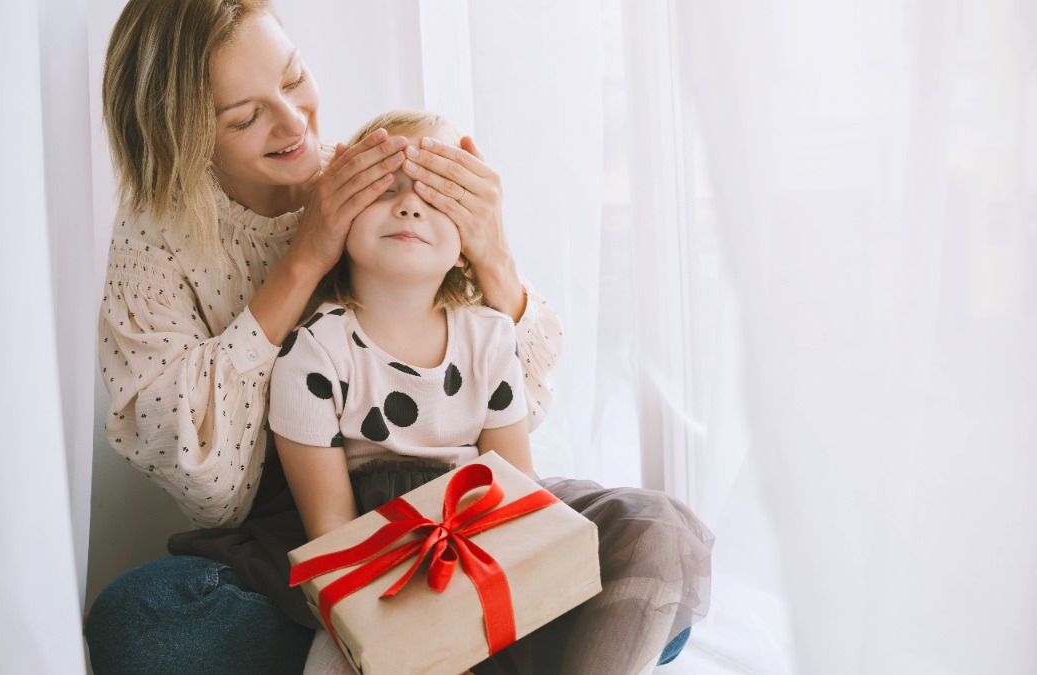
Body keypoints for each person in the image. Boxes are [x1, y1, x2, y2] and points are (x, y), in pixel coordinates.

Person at [85, 2, 565, 674]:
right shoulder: (154, 245)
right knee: (140, 623)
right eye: (246, 117)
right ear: (182, 139)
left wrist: (492, 255)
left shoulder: (378, 185)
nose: (292, 124)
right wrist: (305, 260)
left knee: (656, 540)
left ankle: (470, 636)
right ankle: (430, 642)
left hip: (458, 508)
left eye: (294, 78)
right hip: (300, 535)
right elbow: (216, 492)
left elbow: (519, 417)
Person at [267, 109, 712, 675]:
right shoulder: (315, 352)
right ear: (339, 218)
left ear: (464, 245)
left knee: (656, 539)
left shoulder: (490, 337)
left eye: (436, 198)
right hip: (380, 571)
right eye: (386, 190)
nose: (410, 206)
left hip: (487, 542)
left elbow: (518, 498)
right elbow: (334, 539)